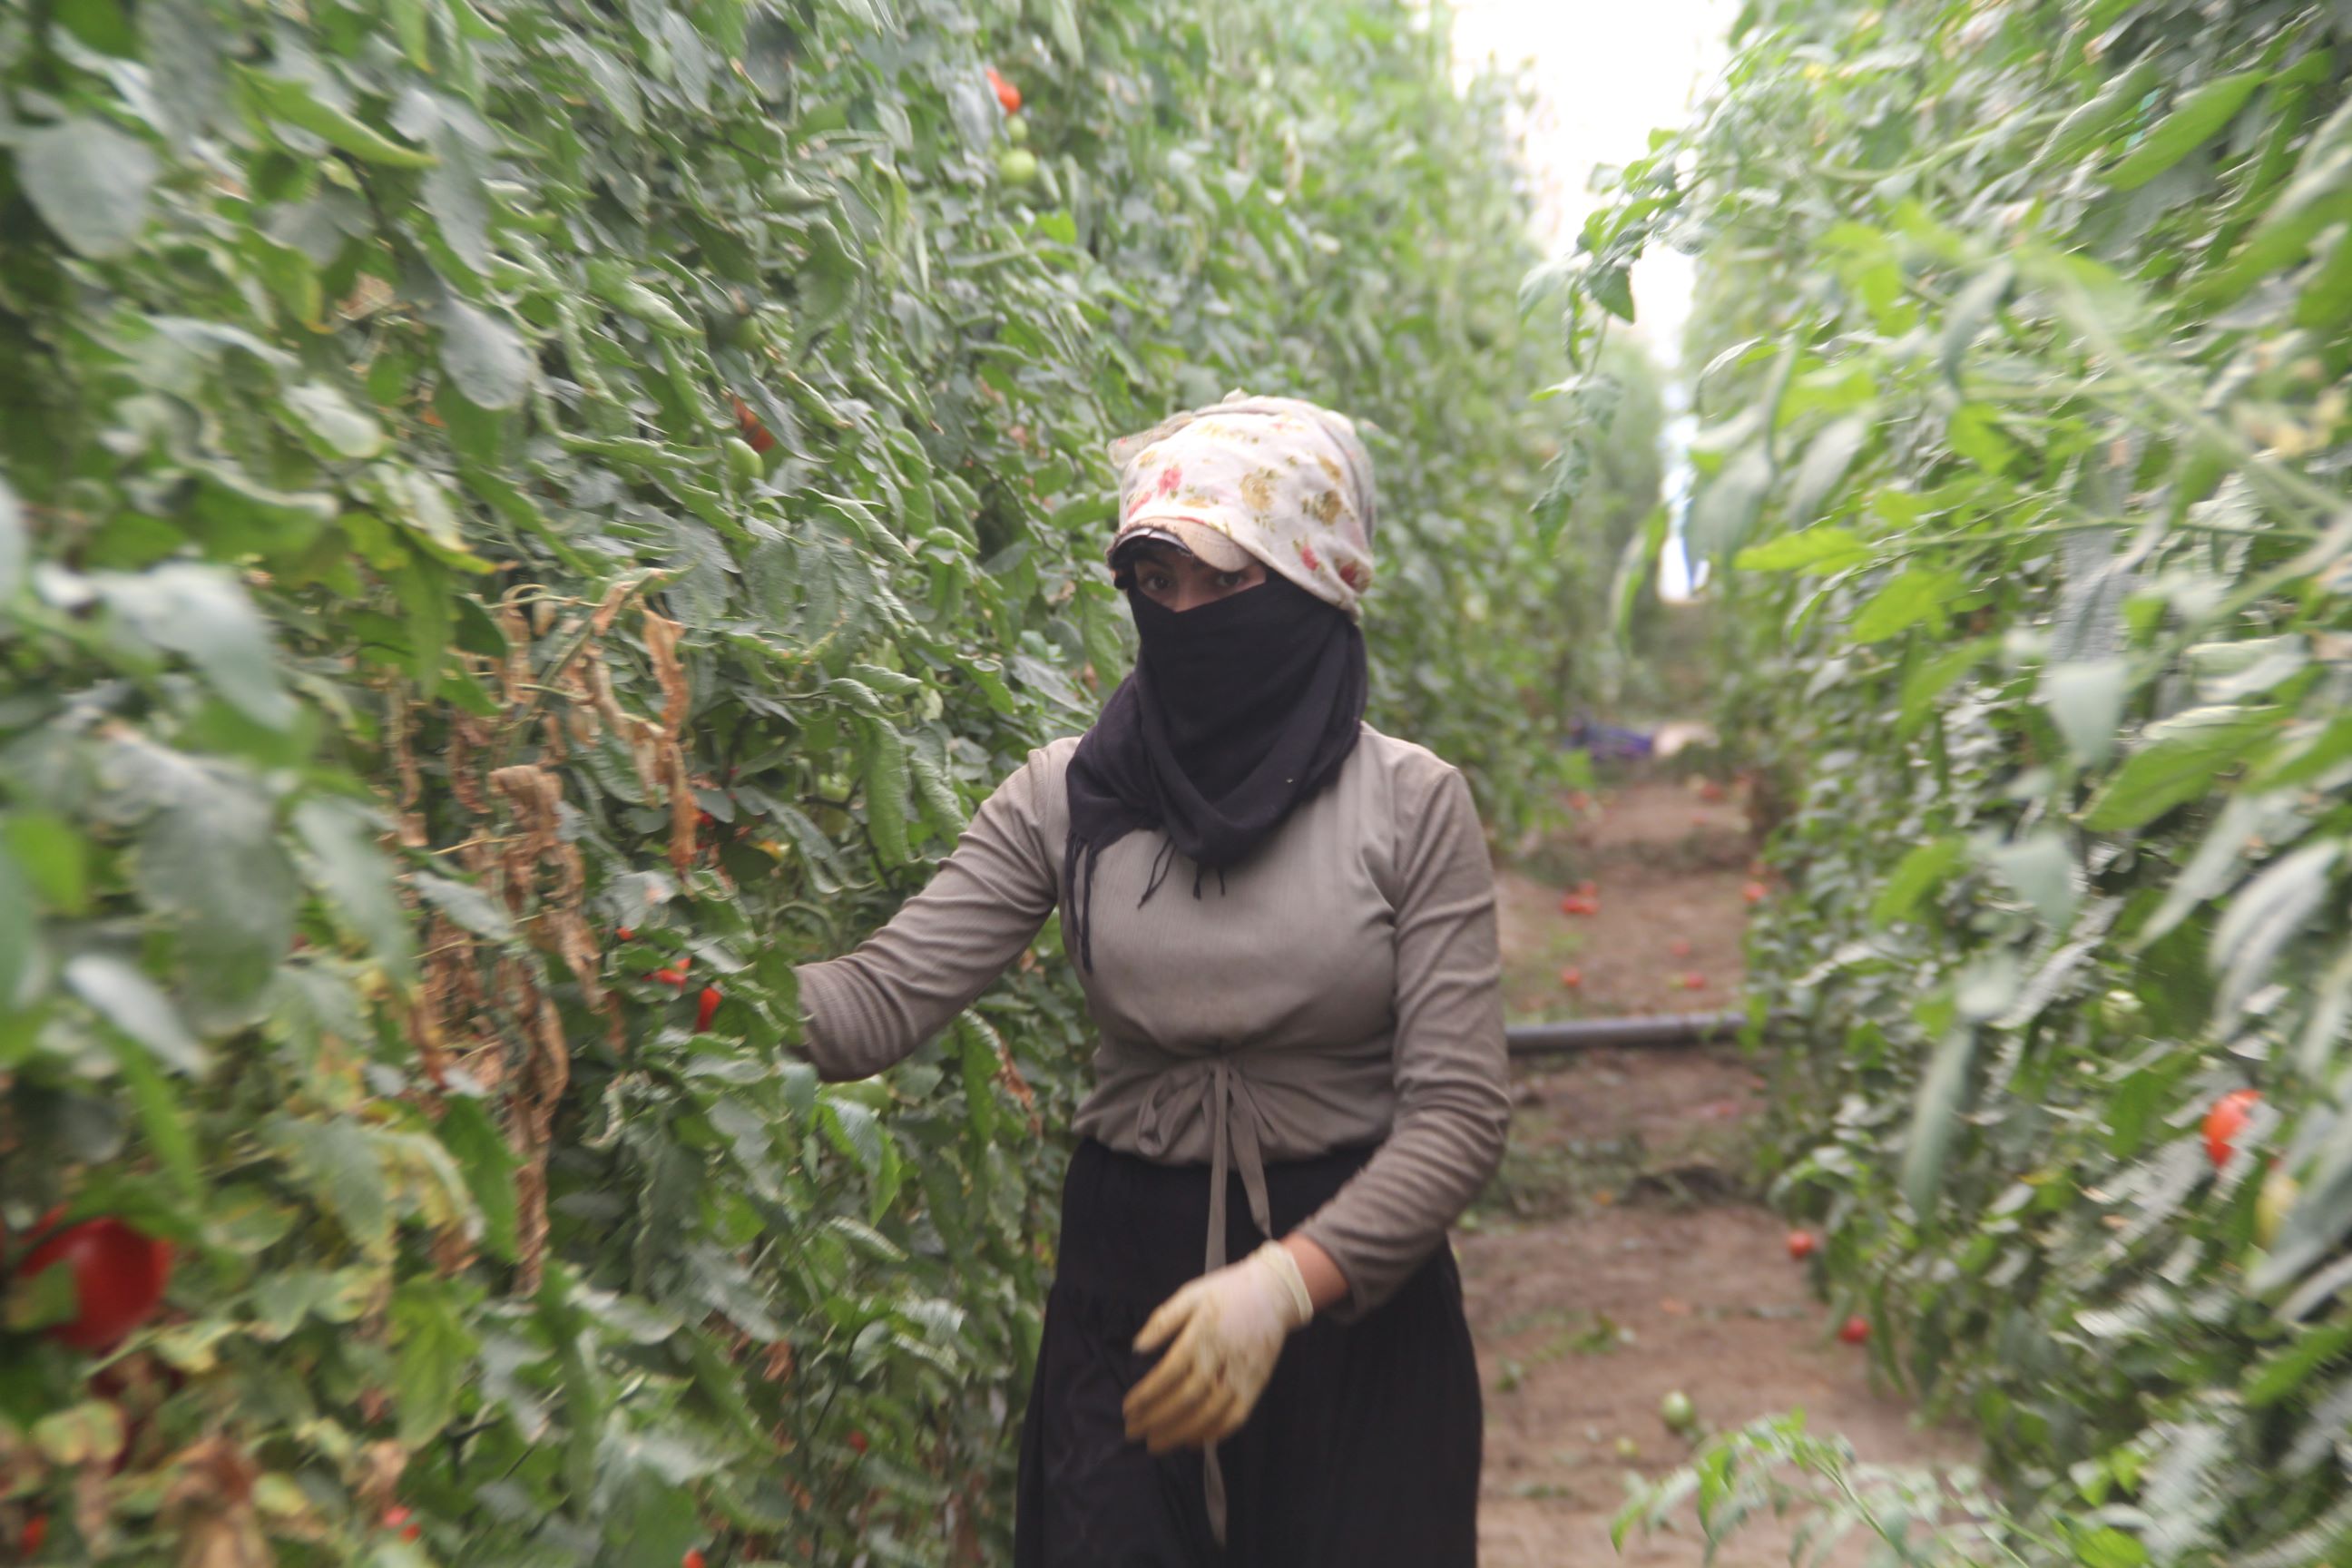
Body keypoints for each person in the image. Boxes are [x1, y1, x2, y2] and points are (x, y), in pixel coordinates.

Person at [793, 392, 1510, 1567]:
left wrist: (1284, 1288)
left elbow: (1459, 1115)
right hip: (1126, 1300)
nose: (1182, 615)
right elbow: (876, 1004)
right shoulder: (1070, 796)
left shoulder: (1409, 805)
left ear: (1313, 586)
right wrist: (691, 989)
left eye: (1223, 582)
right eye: (1155, 580)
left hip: (1353, 1308)